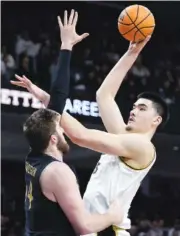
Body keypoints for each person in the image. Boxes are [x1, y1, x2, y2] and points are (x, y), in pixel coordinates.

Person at [11, 37, 169, 236]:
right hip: (95, 226)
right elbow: (104, 95)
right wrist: (132, 54)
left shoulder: (143, 147)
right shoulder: (123, 138)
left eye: (142, 108)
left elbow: (80, 136)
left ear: (156, 120)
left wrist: (49, 103)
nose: (133, 111)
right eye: (134, 106)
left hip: (107, 229)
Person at [13, 10, 124, 236]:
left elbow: (58, 100)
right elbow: (84, 227)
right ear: (53, 139)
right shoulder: (58, 172)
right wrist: (114, 215)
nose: (64, 128)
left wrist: (67, 46)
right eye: (60, 129)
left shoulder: (36, 153)